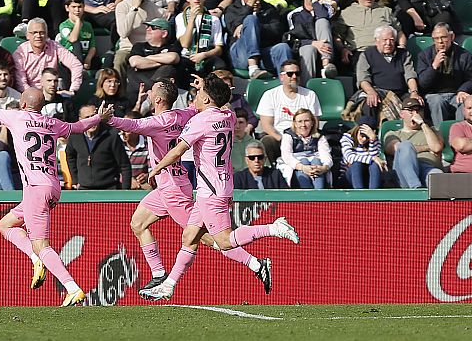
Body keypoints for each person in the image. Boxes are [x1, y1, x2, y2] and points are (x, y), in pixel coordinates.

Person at [0, 71, 115, 307]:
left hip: (35, 189)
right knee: (6, 224)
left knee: (42, 244)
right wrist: (98, 119)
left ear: (22, 103)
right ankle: (35, 257)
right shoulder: (53, 123)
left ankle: (71, 287)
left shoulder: (15, 117)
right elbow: (78, 127)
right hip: (52, 187)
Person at [139, 74, 300, 301]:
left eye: (198, 93)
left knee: (224, 241)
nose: (195, 96)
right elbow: (222, 105)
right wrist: (213, 89)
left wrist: (155, 169)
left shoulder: (200, 121)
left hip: (210, 190)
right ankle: (168, 286)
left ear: (206, 99)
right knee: (190, 237)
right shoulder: (229, 116)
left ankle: (273, 228)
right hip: (222, 184)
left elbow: (176, 152)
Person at [104, 77, 204, 289]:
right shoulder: (182, 115)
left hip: (174, 189)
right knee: (138, 223)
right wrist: (204, 89)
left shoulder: (155, 123)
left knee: (208, 238)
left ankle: (250, 260)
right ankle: (158, 273)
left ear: (158, 100)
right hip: (169, 185)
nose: (148, 93)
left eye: (151, 91)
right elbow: (197, 107)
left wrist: (109, 119)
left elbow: (131, 124)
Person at [256, 60, 322, 164]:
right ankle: (273, 171)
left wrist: (303, 139)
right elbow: (266, 125)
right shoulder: (270, 95)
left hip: (303, 139)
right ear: (282, 77)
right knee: (266, 141)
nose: (294, 76)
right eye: (290, 74)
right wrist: (283, 140)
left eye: (297, 73)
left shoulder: (310, 95)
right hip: (279, 138)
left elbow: (315, 122)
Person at [224, 0, 292, 78]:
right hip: (241, 55)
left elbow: (277, 30)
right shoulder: (232, 9)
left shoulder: (268, 8)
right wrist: (249, 7)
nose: (258, 1)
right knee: (251, 19)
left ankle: (285, 86)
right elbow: (233, 29)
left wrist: (257, 27)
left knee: (283, 47)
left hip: (262, 52)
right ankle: (253, 68)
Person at [354, 25, 422, 121]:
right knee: (369, 102)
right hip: (377, 92)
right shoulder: (366, 55)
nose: (388, 43)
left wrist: (414, 92)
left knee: (415, 103)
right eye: (384, 40)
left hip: (400, 94)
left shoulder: (404, 54)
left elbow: (410, 75)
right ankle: (369, 133)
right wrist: (370, 91)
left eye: (391, 40)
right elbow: (363, 78)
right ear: (376, 40)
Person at [416, 23, 472, 124]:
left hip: (456, 93)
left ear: (452, 36)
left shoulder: (464, 55)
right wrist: (434, 66)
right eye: (436, 38)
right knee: (437, 101)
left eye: (443, 37)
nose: (440, 41)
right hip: (434, 95)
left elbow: (471, 80)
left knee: (465, 102)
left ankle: (460, 134)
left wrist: (463, 90)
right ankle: (440, 134)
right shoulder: (424, 55)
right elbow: (422, 84)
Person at [337, 0, 404, 70]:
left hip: (383, 51)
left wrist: (402, 46)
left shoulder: (385, 11)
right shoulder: (347, 13)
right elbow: (338, 36)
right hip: (359, 52)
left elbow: (399, 32)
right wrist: (342, 49)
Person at [66, 104, 131, 189]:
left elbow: (124, 165)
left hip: (109, 188)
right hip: (84, 189)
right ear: (80, 119)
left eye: (93, 117)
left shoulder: (112, 135)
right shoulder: (75, 136)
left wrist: (125, 191)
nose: (91, 121)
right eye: (87, 118)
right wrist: (75, 180)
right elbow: (70, 157)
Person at [384, 97, 444, 188]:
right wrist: (427, 148)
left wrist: (423, 124)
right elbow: (396, 148)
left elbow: (436, 148)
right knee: (405, 145)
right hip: (404, 171)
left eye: (418, 110)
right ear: (402, 114)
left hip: (427, 169)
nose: (415, 114)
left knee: (438, 176)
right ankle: (416, 187)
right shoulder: (393, 134)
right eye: (411, 111)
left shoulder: (432, 131)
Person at [115, 0, 164, 81]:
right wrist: (134, 9)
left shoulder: (157, 10)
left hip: (148, 49)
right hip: (128, 48)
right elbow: (123, 33)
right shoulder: (122, 7)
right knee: (119, 60)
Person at [13, 18, 84, 93]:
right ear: (27, 35)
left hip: (52, 93)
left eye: (42, 32)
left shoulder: (55, 46)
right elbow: (21, 82)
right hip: (30, 94)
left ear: (47, 35)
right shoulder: (20, 53)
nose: (38, 36)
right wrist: (33, 95)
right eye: (34, 33)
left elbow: (76, 65)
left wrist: (73, 89)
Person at [289, 0, 339, 82]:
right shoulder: (294, 14)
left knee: (322, 21)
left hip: (328, 50)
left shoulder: (327, 9)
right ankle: (306, 87)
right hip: (305, 49)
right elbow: (293, 39)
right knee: (308, 49)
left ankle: (326, 66)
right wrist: (314, 43)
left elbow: (324, 16)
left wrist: (315, 3)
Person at [175, 0, 227, 76]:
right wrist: (192, 19)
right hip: (187, 56)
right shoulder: (180, 17)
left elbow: (219, 49)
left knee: (220, 65)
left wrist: (204, 55)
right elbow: (185, 44)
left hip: (206, 55)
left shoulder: (214, 19)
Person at [127, 18, 181, 103]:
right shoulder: (139, 46)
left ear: (164, 33)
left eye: (153, 27)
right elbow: (135, 62)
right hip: (138, 89)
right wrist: (162, 62)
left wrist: (145, 58)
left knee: (168, 68)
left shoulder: (172, 47)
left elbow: (173, 58)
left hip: (160, 94)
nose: (148, 29)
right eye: (147, 27)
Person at [277, 108, 332, 188]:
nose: (303, 125)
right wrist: (303, 167)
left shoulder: (319, 136)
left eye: (306, 121)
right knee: (304, 161)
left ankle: (319, 192)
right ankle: (306, 193)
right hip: (296, 165)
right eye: (300, 121)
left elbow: (326, 154)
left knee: (316, 161)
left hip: (316, 165)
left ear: (312, 122)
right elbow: (287, 156)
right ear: (295, 124)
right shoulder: (288, 136)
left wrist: (324, 168)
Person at [340, 115, 385, 189]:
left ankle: (374, 194)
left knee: (375, 165)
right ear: (357, 130)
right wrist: (372, 159)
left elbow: (376, 158)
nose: (364, 139)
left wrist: (372, 140)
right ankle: (359, 195)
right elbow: (350, 158)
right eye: (362, 135)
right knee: (356, 164)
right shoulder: (347, 138)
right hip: (349, 177)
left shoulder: (374, 140)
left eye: (367, 137)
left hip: (367, 176)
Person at [57, 0, 96, 72]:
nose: (77, 10)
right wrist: (77, 21)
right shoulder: (64, 26)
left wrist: (88, 59)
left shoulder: (88, 26)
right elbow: (73, 39)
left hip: (85, 58)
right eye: (73, 7)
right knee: (76, 44)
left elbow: (92, 47)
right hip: (68, 60)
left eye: (80, 7)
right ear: (67, 8)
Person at [230, 107, 258, 172]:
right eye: (235, 123)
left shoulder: (256, 144)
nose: (237, 126)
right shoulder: (226, 145)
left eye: (241, 122)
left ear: (247, 123)